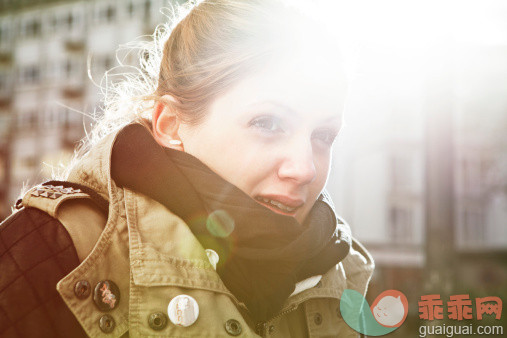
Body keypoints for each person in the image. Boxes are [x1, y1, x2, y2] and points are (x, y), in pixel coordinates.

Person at [0, 0, 374, 337]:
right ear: (170, 125)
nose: (305, 168)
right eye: (268, 123)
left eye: (323, 135)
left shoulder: (341, 274)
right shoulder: (51, 253)